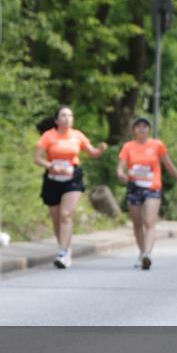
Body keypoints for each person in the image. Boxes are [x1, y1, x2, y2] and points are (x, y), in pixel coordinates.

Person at [34, 106, 108, 268]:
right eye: (63, 115)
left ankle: (62, 252)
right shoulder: (48, 136)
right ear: (56, 120)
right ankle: (65, 249)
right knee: (56, 218)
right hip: (52, 177)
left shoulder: (77, 136)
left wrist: (100, 149)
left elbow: (92, 153)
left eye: (70, 115)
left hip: (72, 177)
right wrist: (50, 165)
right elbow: (37, 158)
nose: (67, 118)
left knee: (66, 214)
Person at [116, 117, 177, 270]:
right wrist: (121, 174)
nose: (141, 129)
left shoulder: (157, 145)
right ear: (133, 130)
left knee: (149, 221)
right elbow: (120, 167)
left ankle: (148, 253)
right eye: (138, 127)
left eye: (145, 126)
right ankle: (141, 252)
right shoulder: (128, 146)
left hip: (152, 187)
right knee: (137, 223)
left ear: (149, 130)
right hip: (134, 186)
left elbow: (168, 164)